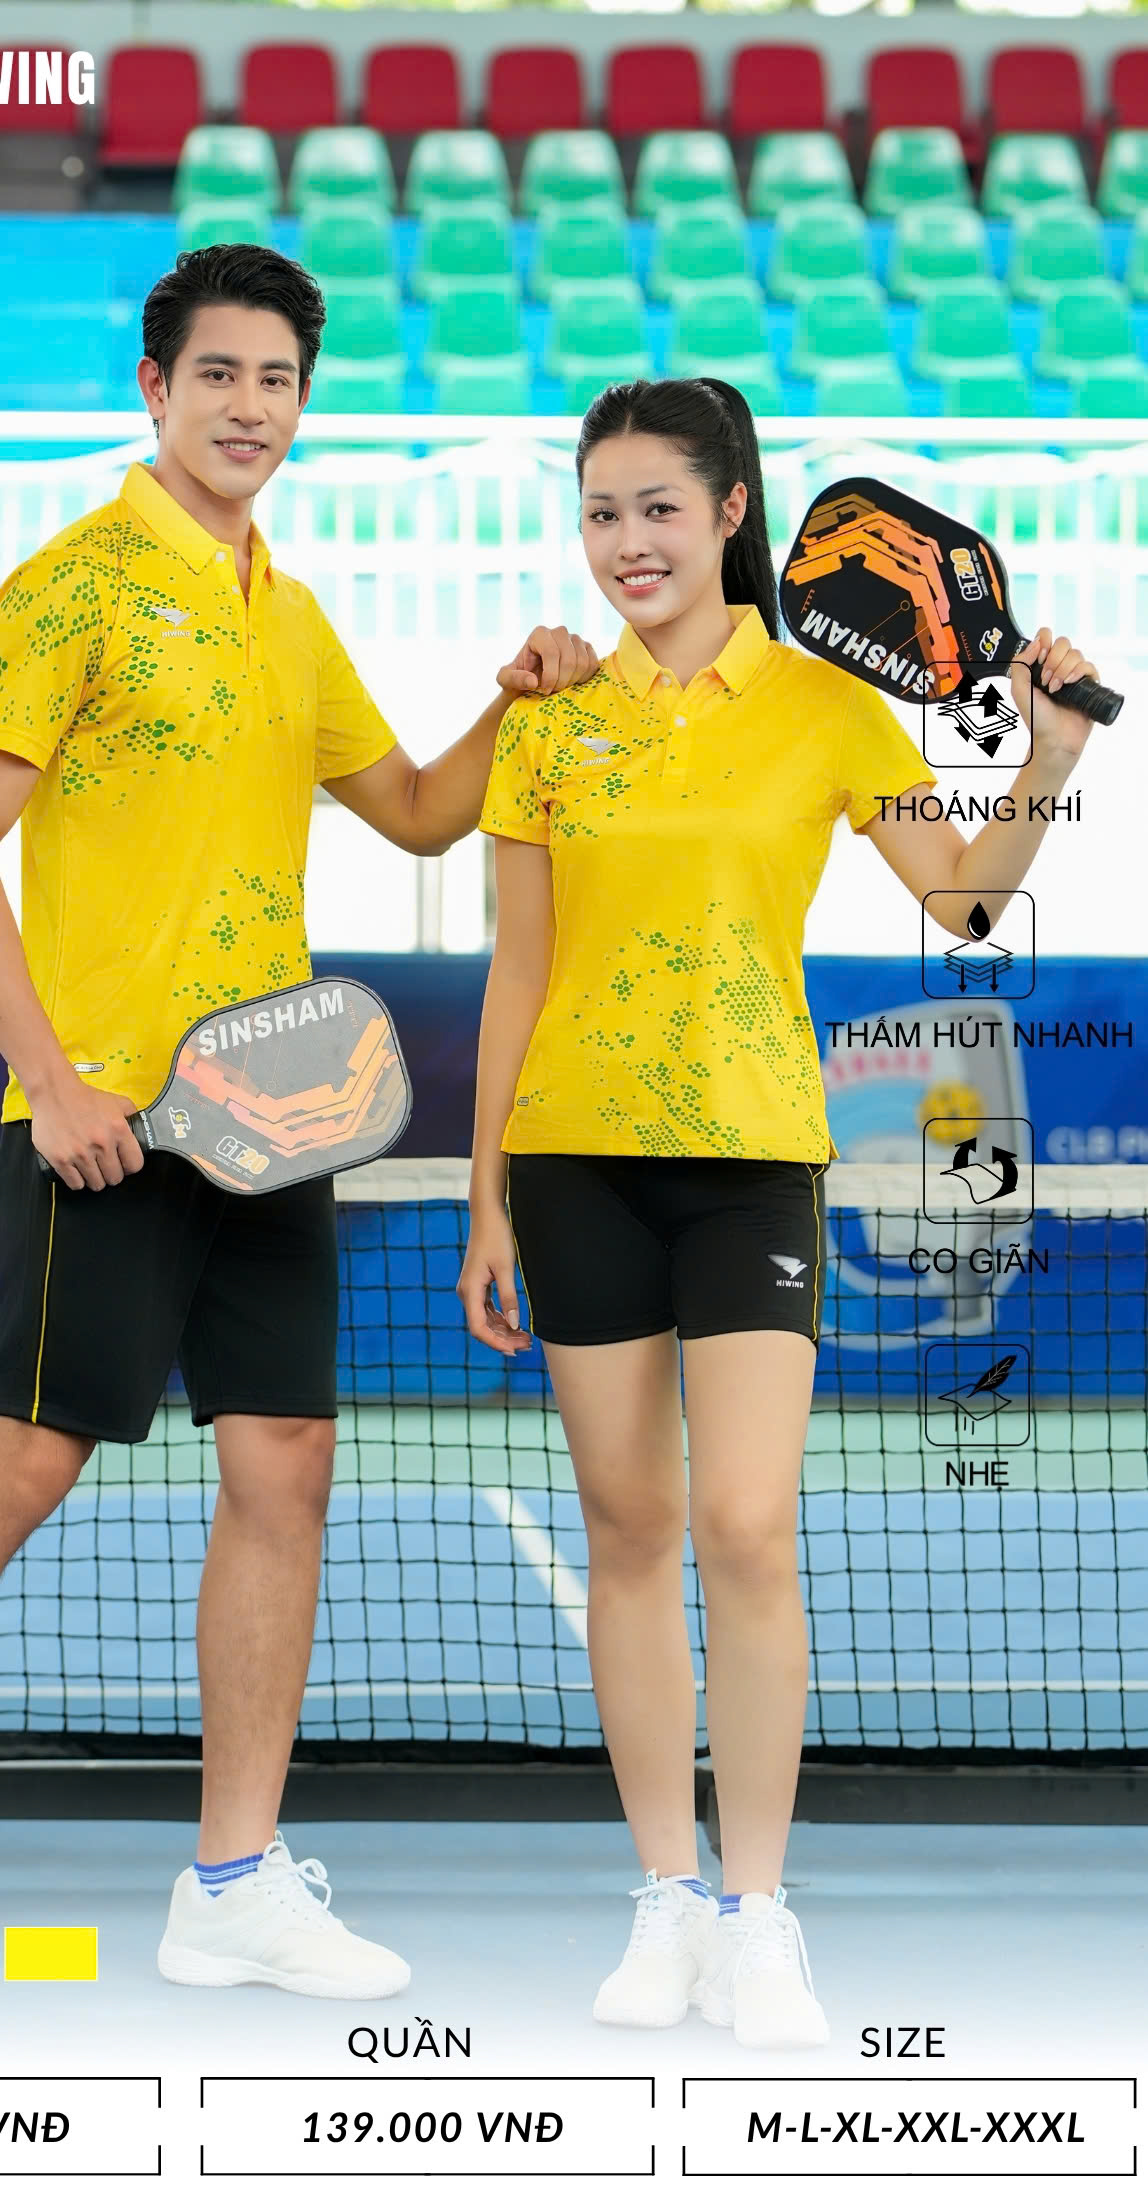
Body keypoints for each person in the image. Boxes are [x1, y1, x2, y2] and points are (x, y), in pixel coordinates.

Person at [0, 244, 598, 2011]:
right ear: (154, 386)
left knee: (287, 1462)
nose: (250, 409)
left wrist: (513, 706)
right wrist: (55, 1080)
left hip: (273, 1119)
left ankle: (231, 1880)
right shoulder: (69, 586)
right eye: (220, 375)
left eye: (279, 381)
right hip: (107, 1123)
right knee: (23, 1461)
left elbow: (419, 811)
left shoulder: (293, 612)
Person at [459, 375, 1103, 2049]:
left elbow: (964, 896)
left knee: (744, 1524)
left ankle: (758, 1912)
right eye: (601, 513)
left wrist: (1050, 752)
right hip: (573, 1160)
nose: (627, 543)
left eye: (658, 509)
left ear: (732, 512)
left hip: (753, 1156)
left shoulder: (828, 709)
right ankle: (665, 1897)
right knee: (627, 1531)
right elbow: (518, 971)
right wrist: (485, 1199)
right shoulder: (547, 717)